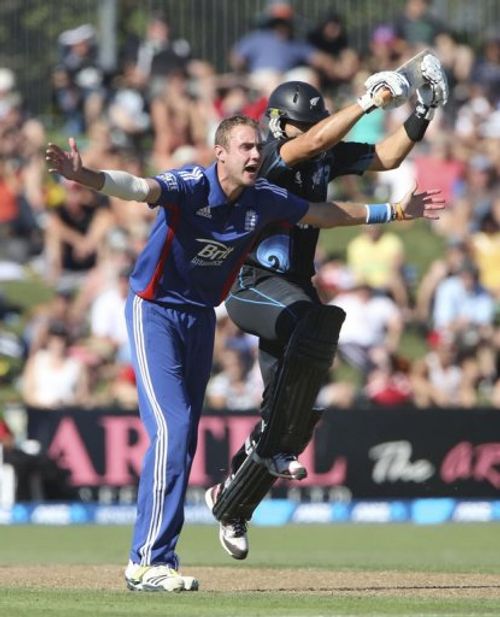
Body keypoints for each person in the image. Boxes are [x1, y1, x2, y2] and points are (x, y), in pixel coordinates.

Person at [46, 113, 444, 592]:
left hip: (198, 319)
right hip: (153, 312)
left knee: (184, 439)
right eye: (245, 148)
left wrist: (394, 213)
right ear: (221, 153)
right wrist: (83, 176)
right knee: (171, 431)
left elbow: (324, 214)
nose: (256, 155)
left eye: (258, 147)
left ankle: (157, 557)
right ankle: (147, 562)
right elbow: (135, 187)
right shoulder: (192, 184)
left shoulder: (264, 199)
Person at [206, 59, 448, 560]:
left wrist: (422, 111)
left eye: (317, 122)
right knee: (312, 324)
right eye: (304, 123)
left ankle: (231, 502)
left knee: (289, 421)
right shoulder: (271, 156)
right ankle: (273, 449)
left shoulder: (320, 155)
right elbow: (312, 145)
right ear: (278, 123)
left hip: (292, 288)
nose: (315, 132)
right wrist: (366, 100)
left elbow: (386, 156)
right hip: (252, 285)